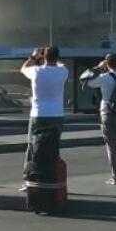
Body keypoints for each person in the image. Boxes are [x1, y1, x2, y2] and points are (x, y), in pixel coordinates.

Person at [79, 53, 116, 185]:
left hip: (107, 113)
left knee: (111, 146)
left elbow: (85, 80)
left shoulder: (103, 77)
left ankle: (115, 177)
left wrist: (98, 67)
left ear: (107, 64)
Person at [20, 46, 69, 187]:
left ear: (44, 57)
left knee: (32, 146)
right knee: (54, 146)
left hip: (38, 114)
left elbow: (23, 68)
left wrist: (34, 57)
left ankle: (28, 179)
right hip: (57, 115)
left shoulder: (36, 71)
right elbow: (62, 65)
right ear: (57, 57)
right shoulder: (62, 72)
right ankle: (53, 179)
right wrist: (53, 59)